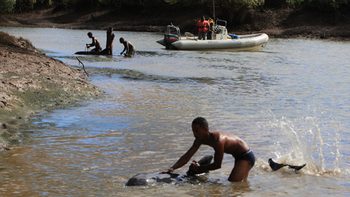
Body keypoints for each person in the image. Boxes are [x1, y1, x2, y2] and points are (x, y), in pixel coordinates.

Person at [165, 117, 255, 182]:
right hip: (237, 157)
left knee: (233, 183)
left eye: (197, 131)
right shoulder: (198, 140)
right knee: (242, 186)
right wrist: (172, 168)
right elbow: (187, 156)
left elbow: (217, 165)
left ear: (205, 129)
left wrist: (199, 169)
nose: (194, 134)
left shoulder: (218, 140)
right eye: (193, 131)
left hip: (246, 156)